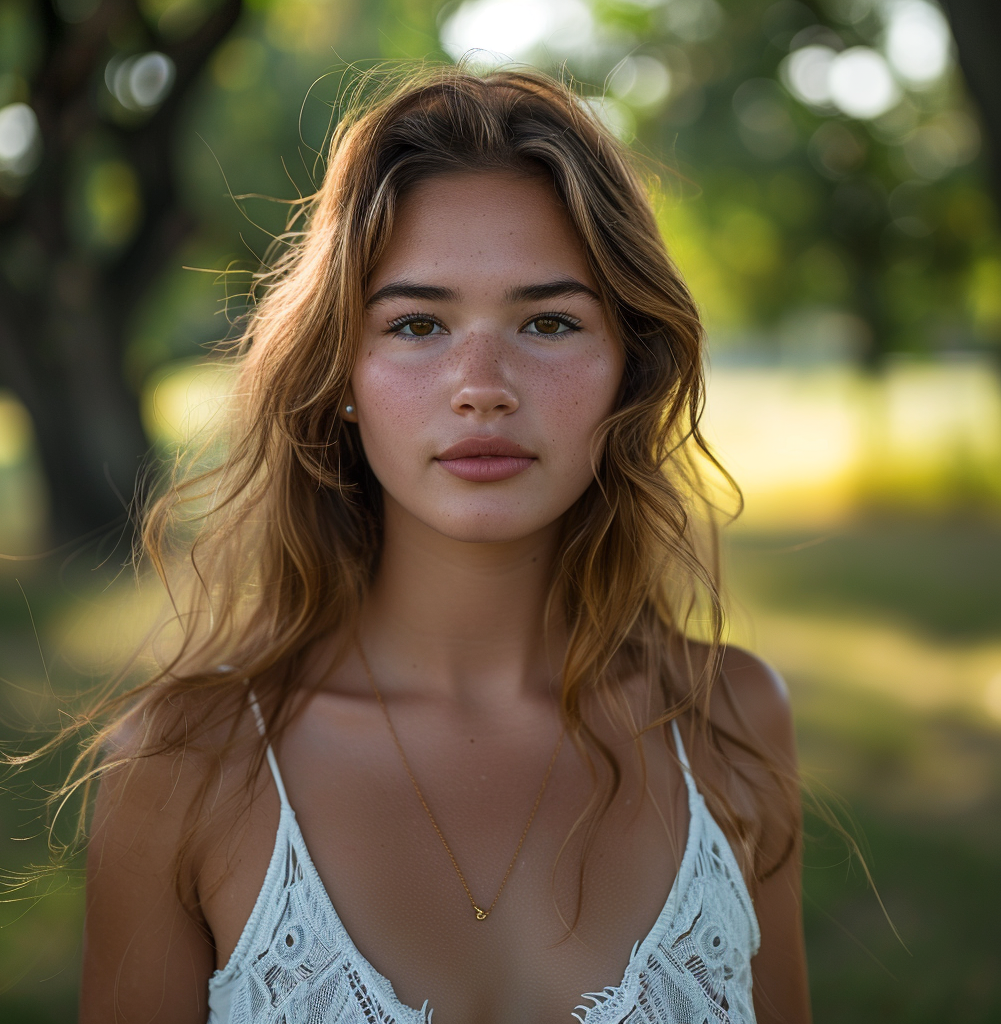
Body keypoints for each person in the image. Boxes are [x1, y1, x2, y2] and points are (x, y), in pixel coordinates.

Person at [77, 65, 810, 1023]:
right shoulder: (180, 767)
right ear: (341, 370)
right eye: (418, 324)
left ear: (630, 365)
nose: (482, 386)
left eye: (548, 321)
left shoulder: (730, 720)